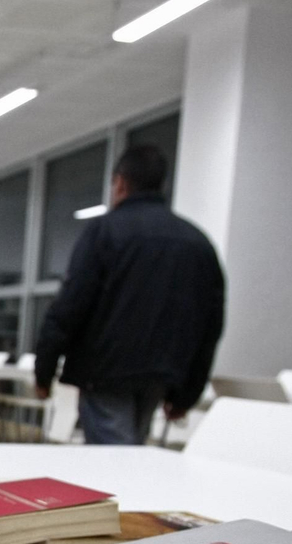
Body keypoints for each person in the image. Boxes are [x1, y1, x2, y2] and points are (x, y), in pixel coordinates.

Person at [33, 145, 226, 445]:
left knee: (114, 463)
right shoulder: (198, 244)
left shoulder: (105, 232)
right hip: (162, 375)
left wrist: (44, 370)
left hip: (105, 373)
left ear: (120, 182)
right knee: (133, 452)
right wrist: (189, 392)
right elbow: (210, 325)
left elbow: (71, 306)